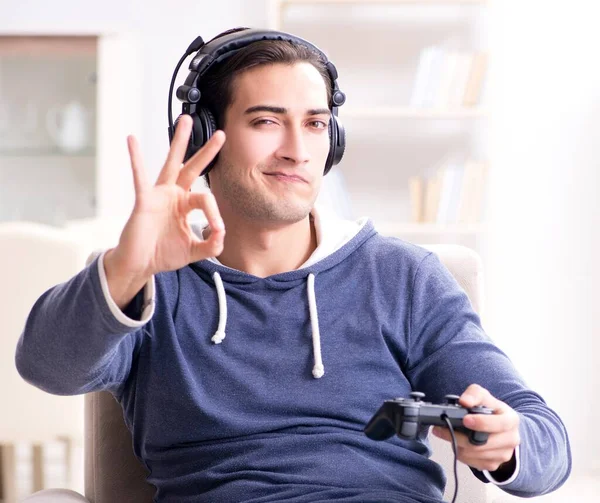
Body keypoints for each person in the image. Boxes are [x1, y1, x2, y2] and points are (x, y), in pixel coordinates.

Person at [16, 27, 571, 503]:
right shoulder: (148, 283)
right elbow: (47, 367)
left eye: (314, 123)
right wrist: (124, 267)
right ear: (208, 135)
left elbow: (548, 443)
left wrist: (508, 441)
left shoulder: (404, 278)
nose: (298, 150)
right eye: (266, 121)